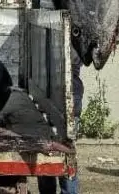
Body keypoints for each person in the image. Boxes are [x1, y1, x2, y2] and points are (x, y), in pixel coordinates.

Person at [38, 49, 83, 193]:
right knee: (61, 152)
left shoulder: (66, 43)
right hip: (65, 103)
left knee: (56, 152)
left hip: (64, 103)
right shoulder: (73, 43)